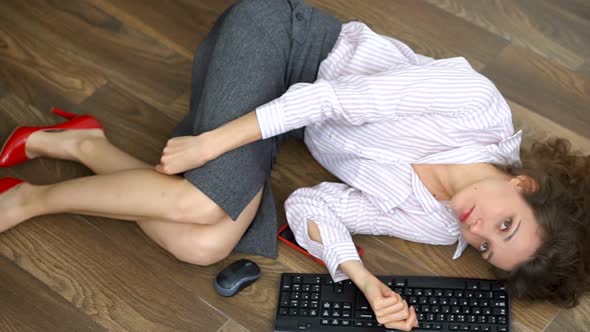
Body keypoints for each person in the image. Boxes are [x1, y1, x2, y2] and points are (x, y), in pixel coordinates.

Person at [0, 0, 588, 329]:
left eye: (486, 247)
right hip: (288, 45)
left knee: (201, 246)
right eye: (503, 223)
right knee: (202, 203)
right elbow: (327, 99)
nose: (475, 230)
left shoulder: (440, 223)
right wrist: (208, 148)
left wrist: (364, 280)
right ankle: (29, 199)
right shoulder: (472, 103)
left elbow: (311, 204)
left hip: (292, 117)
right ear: (523, 183)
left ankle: (83, 143)